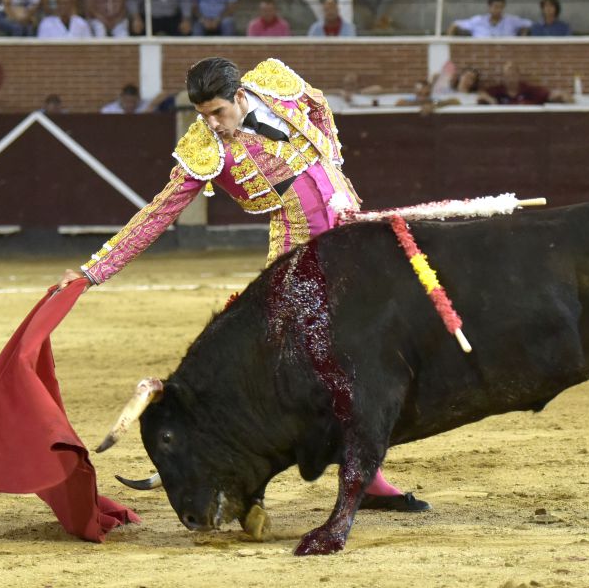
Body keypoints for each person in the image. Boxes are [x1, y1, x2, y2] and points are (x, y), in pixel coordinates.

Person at [57, 57, 429, 513]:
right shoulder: (202, 148)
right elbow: (158, 214)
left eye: (217, 113)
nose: (211, 124)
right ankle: (254, 472)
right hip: (300, 250)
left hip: (347, 225)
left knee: (373, 344)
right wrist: (94, 270)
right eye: (202, 116)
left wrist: (329, 160)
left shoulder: (275, 81)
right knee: (300, 363)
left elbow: (317, 105)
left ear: (239, 96)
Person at [447, 0, 530, 36]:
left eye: (501, 7)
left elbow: (529, 24)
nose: (498, 10)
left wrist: (524, 36)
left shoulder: (512, 20)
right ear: (489, 7)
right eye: (496, 7)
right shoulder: (478, 20)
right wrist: (449, 44)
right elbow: (455, 25)